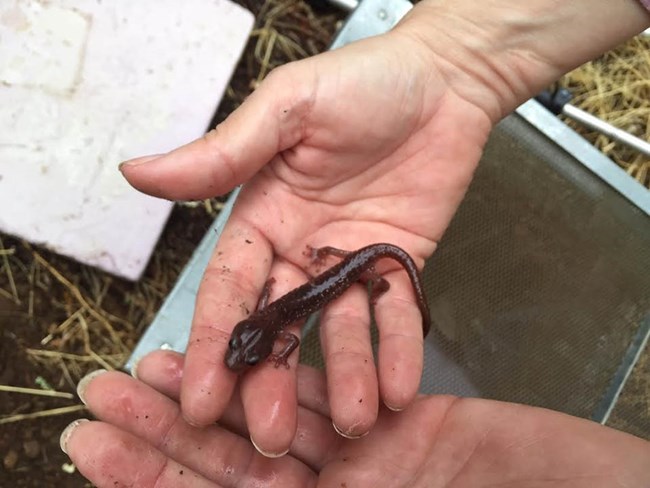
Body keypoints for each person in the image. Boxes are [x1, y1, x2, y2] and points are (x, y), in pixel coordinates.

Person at [60, 0, 650, 485]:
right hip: (345, 268)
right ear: (253, 332)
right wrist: (459, 56)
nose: (243, 355)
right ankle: (372, 274)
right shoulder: (274, 321)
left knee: (356, 279)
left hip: (352, 267)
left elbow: (279, 318)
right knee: (346, 282)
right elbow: (277, 316)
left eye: (245, 351)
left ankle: (378, 277)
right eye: (247, 354)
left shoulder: (275, 322)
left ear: (256, 333)